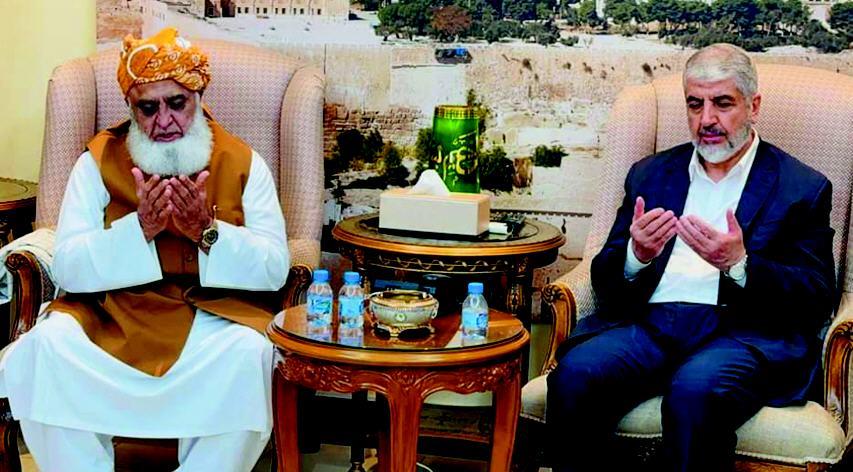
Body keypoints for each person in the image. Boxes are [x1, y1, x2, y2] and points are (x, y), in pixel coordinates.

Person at [0, 27, 290, 471]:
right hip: (112, 315)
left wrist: (205, 231)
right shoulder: (96, 161)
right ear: (131, 107)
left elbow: (274, 269)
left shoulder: (244, 162)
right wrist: (140, 230)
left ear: (198, 96)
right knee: (46, 348)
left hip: (211, 315)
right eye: (148, 108)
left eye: (177, 103)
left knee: (250, 355)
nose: (164, 121)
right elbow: (70, 267)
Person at [546, 43, 836, 471]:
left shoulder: (801, 187)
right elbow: (605, 279)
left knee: (694, 393)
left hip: (741, 333)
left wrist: (741, 265)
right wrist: (636, 256)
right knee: (575, 376)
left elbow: (816, 295)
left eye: (723, 103)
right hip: (651, 325)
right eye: (695, 104)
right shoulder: (650, 174)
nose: (707, 120)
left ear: (753, 106)